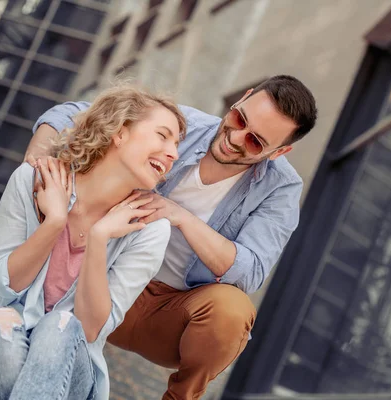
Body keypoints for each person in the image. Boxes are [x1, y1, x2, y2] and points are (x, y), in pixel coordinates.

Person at [26, 75, 318, 399]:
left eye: (254, 142)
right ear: (243, 97)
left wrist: (179, 216)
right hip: (107, 277)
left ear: (279, 152)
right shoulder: (181, 125)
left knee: (233, 312)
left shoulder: (281, 189)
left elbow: (250, 272)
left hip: (171, 315)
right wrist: (38, 160)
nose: (235, 137)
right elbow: (75, 113)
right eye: (238, 118)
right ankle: (30, 334)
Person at [0, 85, 187, 400]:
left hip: (69, 368)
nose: (173, 153)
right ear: (120, 132)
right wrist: (54, 222)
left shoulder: (150, 228)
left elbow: (91, 329)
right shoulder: (34, 180)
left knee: (61, 325)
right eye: (163, 136)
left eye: (177, 144)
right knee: (2, 322)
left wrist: (98, 239)